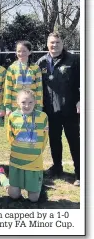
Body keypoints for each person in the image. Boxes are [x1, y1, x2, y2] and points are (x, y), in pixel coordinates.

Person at [36, 32, 80, 186]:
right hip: (49, 110)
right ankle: (57, 168)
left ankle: (80, 172)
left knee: (74, 141)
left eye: (57, 42)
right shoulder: (41, 62)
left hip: (70, 109)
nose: (54, 45)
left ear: (62, 43)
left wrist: (81, 100)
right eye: (51, 42)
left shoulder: (74, 60)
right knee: (54, 140)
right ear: (47, 44)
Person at [7, 89, 49, 202]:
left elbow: (45, 138)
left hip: (34, 162)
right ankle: (2, 175)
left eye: (30, 102)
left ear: (35, 102)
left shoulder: (43, 116)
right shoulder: (12, 117)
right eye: (23, 102)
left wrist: (36, 151)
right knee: (14, 196)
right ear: (17, 102)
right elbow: (10, 136)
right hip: (17, 161)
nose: (27, 105)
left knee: (33, 199)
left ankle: (38, 187)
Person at [4, 41, 43, 116]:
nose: (21, 54)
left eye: (24, 51)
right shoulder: (12, 68)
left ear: (30, 52)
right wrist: (8, 107)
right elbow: (7, 88)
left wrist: (39, 106)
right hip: (15, 105)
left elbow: (39, 89)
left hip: (31, 105)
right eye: (19, 51)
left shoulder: (36, 68)